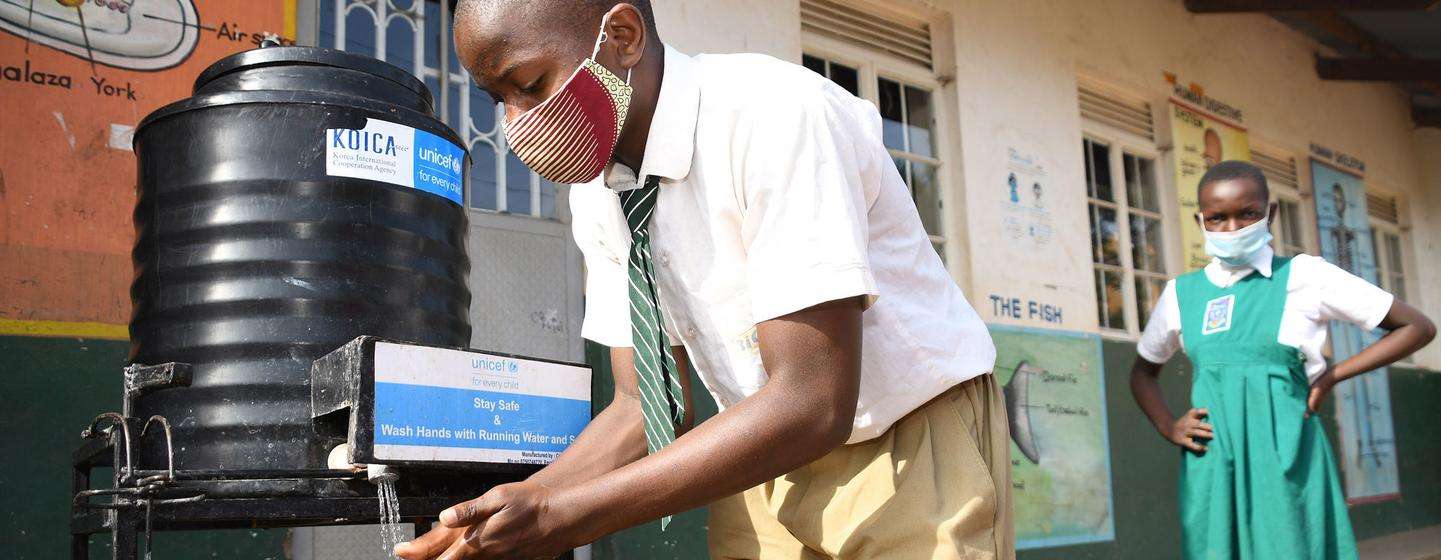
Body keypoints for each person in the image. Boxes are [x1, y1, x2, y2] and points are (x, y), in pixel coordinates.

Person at [394, 1, 1012, 559]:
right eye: (496, 98)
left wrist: (565, 516)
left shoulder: (772, 115)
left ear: (623, 36)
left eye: (529, 84)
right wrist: (502, 514)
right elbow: (644, 404)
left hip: (901, 440)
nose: (516, 121)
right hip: (759, 447)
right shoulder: (600, 189)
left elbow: (814, 397)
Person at [1128, 161, 1435, 559]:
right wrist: (1169, 425)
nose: (1233, 227)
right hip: (1214, 461)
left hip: (1286, 457)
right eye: (1217, 217)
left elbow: (1416, 327)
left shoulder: (1304, 276)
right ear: (1200, 220)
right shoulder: (1180, 294)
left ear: (1270, 213)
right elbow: (1142, 374)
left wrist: (1332, 376)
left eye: (1248, 213)